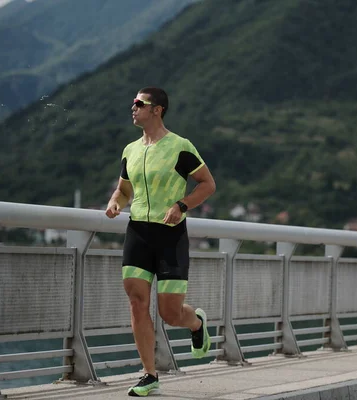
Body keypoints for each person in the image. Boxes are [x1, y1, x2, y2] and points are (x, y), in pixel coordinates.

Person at [105, 87, 216, 397]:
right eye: (133, 103)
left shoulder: (180, 147)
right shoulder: (130, 150)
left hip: (170, 235)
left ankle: (195, 324)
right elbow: (124, 190)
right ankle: (149, 374)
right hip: (138, 232)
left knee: (169, 313)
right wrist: (116, 202)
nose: (133, 107)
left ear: (158, 110)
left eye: (140, 104)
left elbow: (207, 184)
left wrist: (181, 205)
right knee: (138, 303)